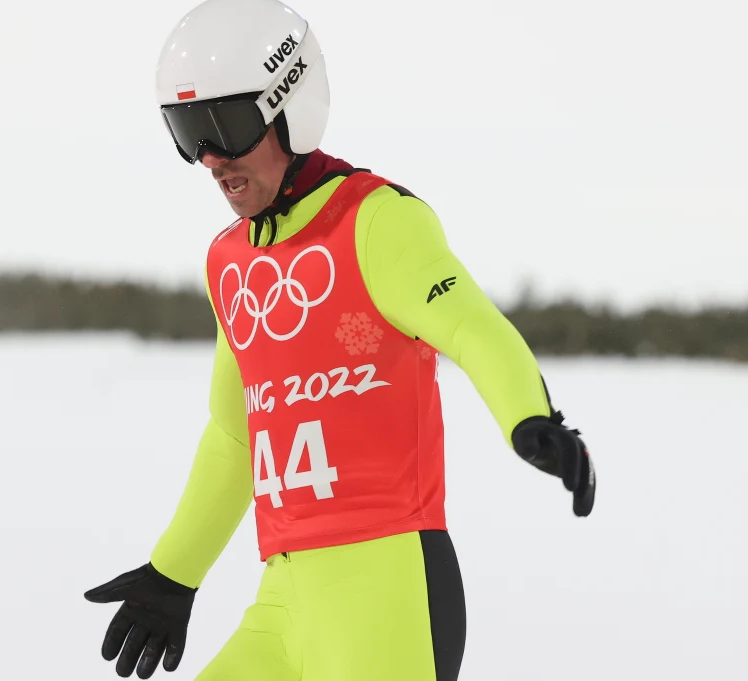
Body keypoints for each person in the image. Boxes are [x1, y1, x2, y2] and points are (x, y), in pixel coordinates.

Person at [83, 0, 597, 679]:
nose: (209, 157)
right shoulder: (230, 263)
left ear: (290, 106)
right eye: (187, 132)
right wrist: (175, 572)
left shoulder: (377, 223)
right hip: (283, 597)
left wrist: (528, 416)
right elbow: (238, 434)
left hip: (388, 590)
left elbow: (471, 327)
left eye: (225, 126)